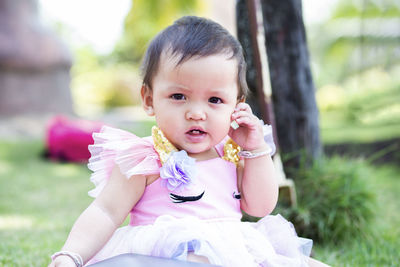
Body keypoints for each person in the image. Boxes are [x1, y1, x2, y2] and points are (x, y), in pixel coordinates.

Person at [49, 16, 329, 267]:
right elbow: (106, 212)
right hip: (163, 255)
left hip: (230, 250)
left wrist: (254, 151)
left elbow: (259, 207)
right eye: (179, 96)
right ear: (149, 99)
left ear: (236, 105)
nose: (196, 113)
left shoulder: (233, 153)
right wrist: (71, 255)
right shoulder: (144, 157)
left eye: (215, 100)